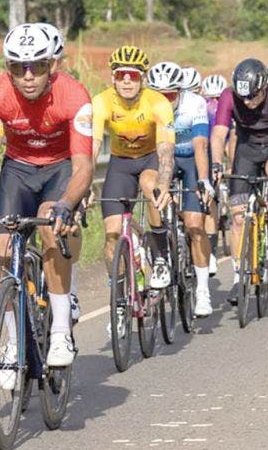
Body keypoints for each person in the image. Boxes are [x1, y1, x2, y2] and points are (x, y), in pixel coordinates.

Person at [0, 23, 94, 380]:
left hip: (60, 169)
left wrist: (67, 204)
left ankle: (59, 329)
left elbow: (84, 165)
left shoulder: (75, 95)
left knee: (49, 224)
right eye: (17, 67)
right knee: (0, 246)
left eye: (37, 66)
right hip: (19, 170)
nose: (27, 77)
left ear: (52, 65)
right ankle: (12, 339)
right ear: (7, 67)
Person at [210, 59, 268, 303]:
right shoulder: (229, 96)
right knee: (238, 216)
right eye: (243, 97)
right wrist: (217, 163)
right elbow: (218, 134)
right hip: (247, 149)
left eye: (252, 97)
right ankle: (239, 277)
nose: (247, 102)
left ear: (264, 87)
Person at [92, 46, 175, 292]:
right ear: (112, 78)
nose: (127, 81)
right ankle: (118, 298)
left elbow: (166, 151)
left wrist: (164, 184)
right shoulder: (102, 101)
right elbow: (92, 149)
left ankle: (160, 257)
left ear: (143, 78)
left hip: (150, 159)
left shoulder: (157, 102)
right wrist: (84, 186)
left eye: (133, 75)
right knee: (112, 235)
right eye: (120, 75)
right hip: (120, 164)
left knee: (151, 187)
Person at [147, 62, 215, 316]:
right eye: (160, 95)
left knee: (195, 225)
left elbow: (200, 145)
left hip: (188, 160)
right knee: (152, 201)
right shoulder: (146, 103)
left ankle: (202, 291)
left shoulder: (194, 103)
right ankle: (161, 255)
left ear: (180, 91)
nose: (166, 100)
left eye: (171, 95)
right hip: (160, 158)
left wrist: (204, 179)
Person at [201, 74, 231, 275]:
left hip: (224, 145)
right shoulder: (201, 108)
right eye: (210, 98)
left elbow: (231, 140)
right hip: (205, 149)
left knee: (213, 200)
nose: (214, 103)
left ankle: (211, 252)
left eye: (218, 98)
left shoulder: (229, 108)